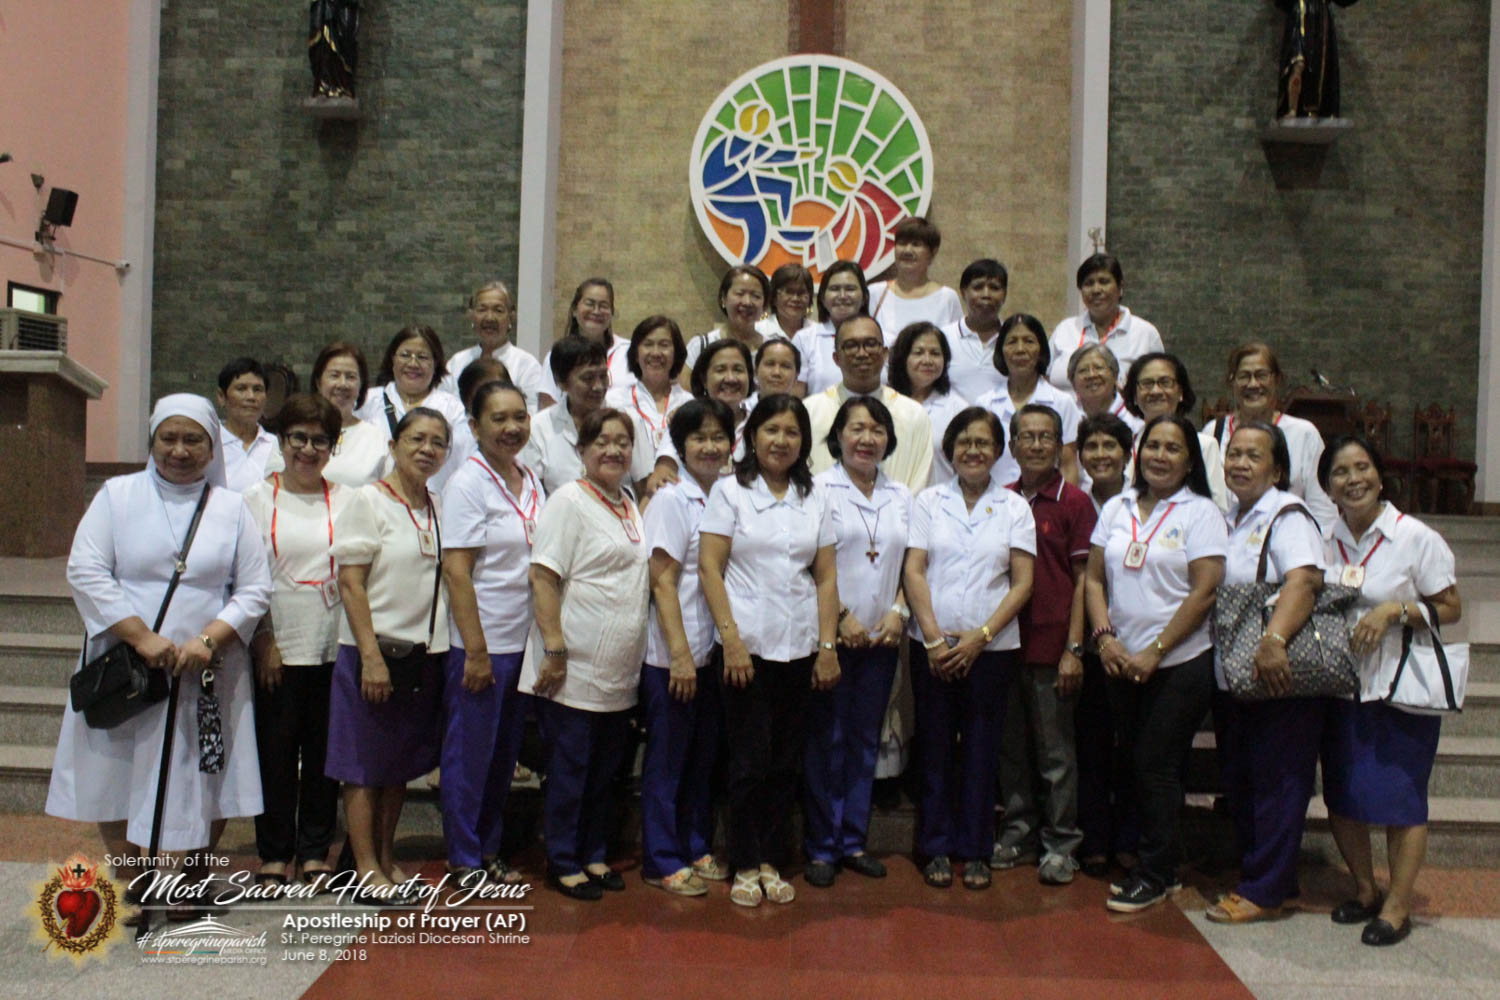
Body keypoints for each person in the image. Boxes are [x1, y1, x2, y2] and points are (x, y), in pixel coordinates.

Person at [48, 394, 271, 921]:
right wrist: (141, 638)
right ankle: (136, 880)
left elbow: (256, 587)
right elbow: (86, 570)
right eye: (168, 437)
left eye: (193, 439)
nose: (179, 450)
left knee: (208, 769)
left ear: (211, 446)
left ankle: (193, 878)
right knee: (118, 768)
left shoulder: (232, 507)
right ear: (151, 441)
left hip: (207, 667)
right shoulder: (117, 495)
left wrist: (210, 640)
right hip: (127, 663)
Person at [1317, 434, 1461, 946]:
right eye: (1340, 471)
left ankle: (1398, 906)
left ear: (1380, 476)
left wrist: (1393, 611)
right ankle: (1364, 889)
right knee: (1343, 795)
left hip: (1399, 689)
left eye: (1362, 468)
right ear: (1327, 485)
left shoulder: (1413, 537)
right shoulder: (1323, 536)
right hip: (1337, 686)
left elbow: (1449, 606)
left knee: (1401, 800)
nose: (1353, 479)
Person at [699, 395, 840, 907]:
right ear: (752, 437)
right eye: (771, 430)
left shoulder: (816, 496)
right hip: (747, 649)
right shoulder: (729, 492)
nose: (781, 440)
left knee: (785, 762)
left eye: (792, 432)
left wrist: (827, 647)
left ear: (804, 442)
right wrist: (731, 639)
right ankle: (742, 861)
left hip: (799, 647)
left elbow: (825, 577)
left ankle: (773, 859)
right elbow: (709, 569)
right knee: (748, 762)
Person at [1085, 414, 1227, 912]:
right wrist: (1104, 639)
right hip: (1120, 660)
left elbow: (1205, 589)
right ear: (1138, 454)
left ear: (1190, 460)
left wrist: (1157, 651)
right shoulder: (1118, 507)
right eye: (1153, 447)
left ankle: (1157, 871)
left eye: (1173, 448)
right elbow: (1095, 578)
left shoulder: (1201, 512)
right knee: (1137, 763)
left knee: (1156, 765)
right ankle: (1159, 857)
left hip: (1180, 663)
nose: (1160, 456)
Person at [521, 408, 650, 900]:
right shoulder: (568, 502)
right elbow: (544, 576)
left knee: (605, 771)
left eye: (623, 442)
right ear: (582, 450)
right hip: (574, 665)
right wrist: (554, 647)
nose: (614, 450)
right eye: (603, 441)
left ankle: (595, 852)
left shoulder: (627, 501)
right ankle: (564, 858)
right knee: (572, 768)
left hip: (618, 668)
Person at [904, 406, 1035, 891]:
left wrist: (980, 638)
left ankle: (977, 848)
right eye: (964, 442)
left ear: (999, 451)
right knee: (936, 747)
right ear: (950, 450)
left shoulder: (1014, 507)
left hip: (992, 650)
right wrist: (936, 639)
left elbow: (1022, 583)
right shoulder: (929, 502)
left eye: (983, 443)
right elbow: (914, 569)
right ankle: (935, 846)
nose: (973, 451)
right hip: (933, 646)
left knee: (983, 750)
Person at [326, 407, 451, 897]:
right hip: (371, 654)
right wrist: (371, 656)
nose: (427, 449)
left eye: (437, 442)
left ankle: (387, 854)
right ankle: (363, 867)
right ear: (395, 445)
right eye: (416, 438)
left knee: (396, 764)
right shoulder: (367, 501)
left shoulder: (437, 506)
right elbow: (351, 583)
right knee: (363, 765)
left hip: (420, 655)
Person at [1204, 421, 1327, 924]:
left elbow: (1304, 580)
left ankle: (1265, 888)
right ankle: (1271, 871)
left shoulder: (1287, 514)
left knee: (1279, 779)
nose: (1240, 464)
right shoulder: (1233, 515)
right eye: (1234, 454)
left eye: (1254, 457)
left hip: (1276, 672)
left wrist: (1274, 641)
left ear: (1277, 469)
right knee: (1247, 777)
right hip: (1238, 673)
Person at [803, 396, 912, 888]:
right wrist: (841, 617)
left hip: (883, 639)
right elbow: (807, 563)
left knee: (866, 739)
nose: (867, 438)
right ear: (838, 436)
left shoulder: (902, 496)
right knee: (829, 740)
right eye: (857, 429)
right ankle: (822, 846)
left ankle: (853, 840)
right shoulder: (817, 490)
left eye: (877, 430)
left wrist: (899, 611)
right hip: (832, 637)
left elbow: (915, 564)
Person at [243, 393, 349, 889]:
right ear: (282, 442)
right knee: (277, 752)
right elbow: (244, 577)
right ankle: (273, 853)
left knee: (325, 754)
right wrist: (263, 637)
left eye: (320, 439)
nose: (309, 448)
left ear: (334, 445)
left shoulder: (348, 499)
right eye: (298, 438)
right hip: (276, 644)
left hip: (333, 643)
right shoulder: (255, 498)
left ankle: (313, 851)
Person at [438, 381, 541, 885]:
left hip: (524, 642)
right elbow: (457, 571)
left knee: (503, 757)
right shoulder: (468, 483)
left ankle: (490, 848)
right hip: (483, 643)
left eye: (519, 417)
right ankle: (463, 856)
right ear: (474, 427)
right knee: (470, 755)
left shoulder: (530, 478)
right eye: (498, 419)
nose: (511, 428)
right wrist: (475, 651)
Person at [992, 404, 1097, 886]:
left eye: (1045, 437)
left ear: (1059, 446)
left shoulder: (1075, 502)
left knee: (1056, 756)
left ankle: (1061, 844)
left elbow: (1084, 581)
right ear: (1011, 447)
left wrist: (1075, 649)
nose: (1035, 445)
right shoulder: (1002, 499)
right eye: (1026, 437)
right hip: (1005, 644)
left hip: (1053, 647)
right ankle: (1018, 833)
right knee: (1012, 751)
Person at [639, 399, 737, 896]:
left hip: (712, 651)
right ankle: (660, 855)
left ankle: (695, 842)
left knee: (703, 757)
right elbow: (662, 581)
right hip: (672, 654)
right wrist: (679, 654)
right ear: (680, 446)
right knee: (669, 758)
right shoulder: (671, 500)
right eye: (698, 438)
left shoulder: (726, 494)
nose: (709, 446)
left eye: (719, 436)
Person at [1073, 413, 1139, 878]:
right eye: (1091, 447)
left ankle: (1132, 840)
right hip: (1093, 644)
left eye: (1109, 446)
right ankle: (1094, 839)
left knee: (1135, 749)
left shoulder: (1143, 503)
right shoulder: (1075, 502)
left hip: (1138, 644)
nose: (1100, 455)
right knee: (1091, 746)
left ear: (1127, 454)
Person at [1208, 342, 1337, 531]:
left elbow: (1323, 513)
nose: (1253, 384)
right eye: (1244, 376)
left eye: (1261, 375)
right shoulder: (1212, 433)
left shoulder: (1304, 434)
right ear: (1232, 382)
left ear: (1276, 380)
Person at [803, 315, 933, 492]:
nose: (862, 353)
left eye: (871, 344)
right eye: (851, 346)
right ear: (836, 358)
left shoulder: (913, 415)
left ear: (885, 354)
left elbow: (920, 482)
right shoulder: (810, 411)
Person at [524, 336, 653, 495]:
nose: (598, 386)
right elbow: (531, 495)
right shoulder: (539, 427)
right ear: (561, 382)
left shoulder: (627, 418)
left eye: (603, 376)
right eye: (588, 378)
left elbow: (646, 489)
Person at [355, 326, 468, 489]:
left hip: (432, 506)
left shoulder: (453, 409)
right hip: (376, 503)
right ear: (392, 359)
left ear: (435, 363)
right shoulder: (367, 401)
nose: (413, 364)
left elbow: (462, 463)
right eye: (405, 355)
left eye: (422, 357)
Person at [976, 314, 1081, 488]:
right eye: (1011, 342)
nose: (1020, 349)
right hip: (995, 503)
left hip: (1047, 504)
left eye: (1029, 341)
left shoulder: (1062, 402)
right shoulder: (985, 404)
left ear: (1041, 350)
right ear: (1001, 350)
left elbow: (1068, 465)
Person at [1122, 352, 1229, 511]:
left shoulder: (1204, 445)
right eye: (1147, 383)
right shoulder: (1124, 445)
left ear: (1181, 392)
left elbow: (1218, 509)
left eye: (1165, 382)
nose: (1156, 391)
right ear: (1135, 396)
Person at [1046, 254, 1163, 395]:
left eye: (1104, 282)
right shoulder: (1065, 329)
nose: (1096, 290)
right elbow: (1044, 379)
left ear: (1120, 287)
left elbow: (1159, 384)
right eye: (1088, 283)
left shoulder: (1145, 333)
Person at [441, 280, 546, 412]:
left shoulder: (526, 365)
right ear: (472, 315)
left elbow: (532, 414)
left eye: (498, 310)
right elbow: (443, 408)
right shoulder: (457, 362)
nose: (489, 317)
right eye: (482, 309)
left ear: (511, 317)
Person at [889, 320, 969, 484]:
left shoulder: (959, 409)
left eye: (935, 353)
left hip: (941, 504)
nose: (927, 360)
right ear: (902, 358)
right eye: (918, 352)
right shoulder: (884, 403)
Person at [605, 315, 693, 460]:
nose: (656, 353)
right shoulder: (613, 401)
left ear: (676, 353)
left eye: (664, 345)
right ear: (635, 354)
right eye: (648, 344)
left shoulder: (689, 404)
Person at [301, 342, 389, 487]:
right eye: (334, 376)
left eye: (351, 377)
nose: (342, 384)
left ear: (361, 385)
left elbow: (388, 497)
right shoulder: (295, 433)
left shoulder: (377, 439)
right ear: (318, 382)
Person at [867, 217, 963, 347]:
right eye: (902, 243)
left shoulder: (947, 298)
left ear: (932, 253)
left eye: (916, 244)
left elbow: (955, 346)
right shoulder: (875, 293)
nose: (907, 250)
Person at [540, 278, 632, 404]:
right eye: (589, 303)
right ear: (574, 310)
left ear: (612, 313)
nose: (596, 311)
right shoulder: (557, 356)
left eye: (604, 306)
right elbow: (548, 408)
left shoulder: (630, 352)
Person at [682, 265, 774, 383]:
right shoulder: (700, 346)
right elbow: (685, 396)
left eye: (756, 296)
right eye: (740, 293)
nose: (747, 302)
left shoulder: (773, 350)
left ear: (765, 305)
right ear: (723, 299)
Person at [793, 260, 869, 396]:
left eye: (850, 289)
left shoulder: (882, 339)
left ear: (864, 297)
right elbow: (796, 396)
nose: (842, 296)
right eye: (834, 289)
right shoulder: (804, 339)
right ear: (822, 298)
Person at [942, 259, 1009, 404]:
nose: (986, 294)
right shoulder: (944, 338)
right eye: (978, 287)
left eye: (994, 288)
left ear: (1004, 294)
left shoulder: (1012, 340)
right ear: (963, 292)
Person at [217, 357, 277, 492]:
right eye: (241, 388)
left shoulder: (276, 446)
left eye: (258, 389)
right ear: (221, 396)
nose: (251, 397)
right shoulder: (211, 444)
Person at [755, 263, 815, 342]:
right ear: (774, 297)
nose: (795, 299)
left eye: (801, 292)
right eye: (789, 292)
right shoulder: (758, 331)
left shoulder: (818, 333)